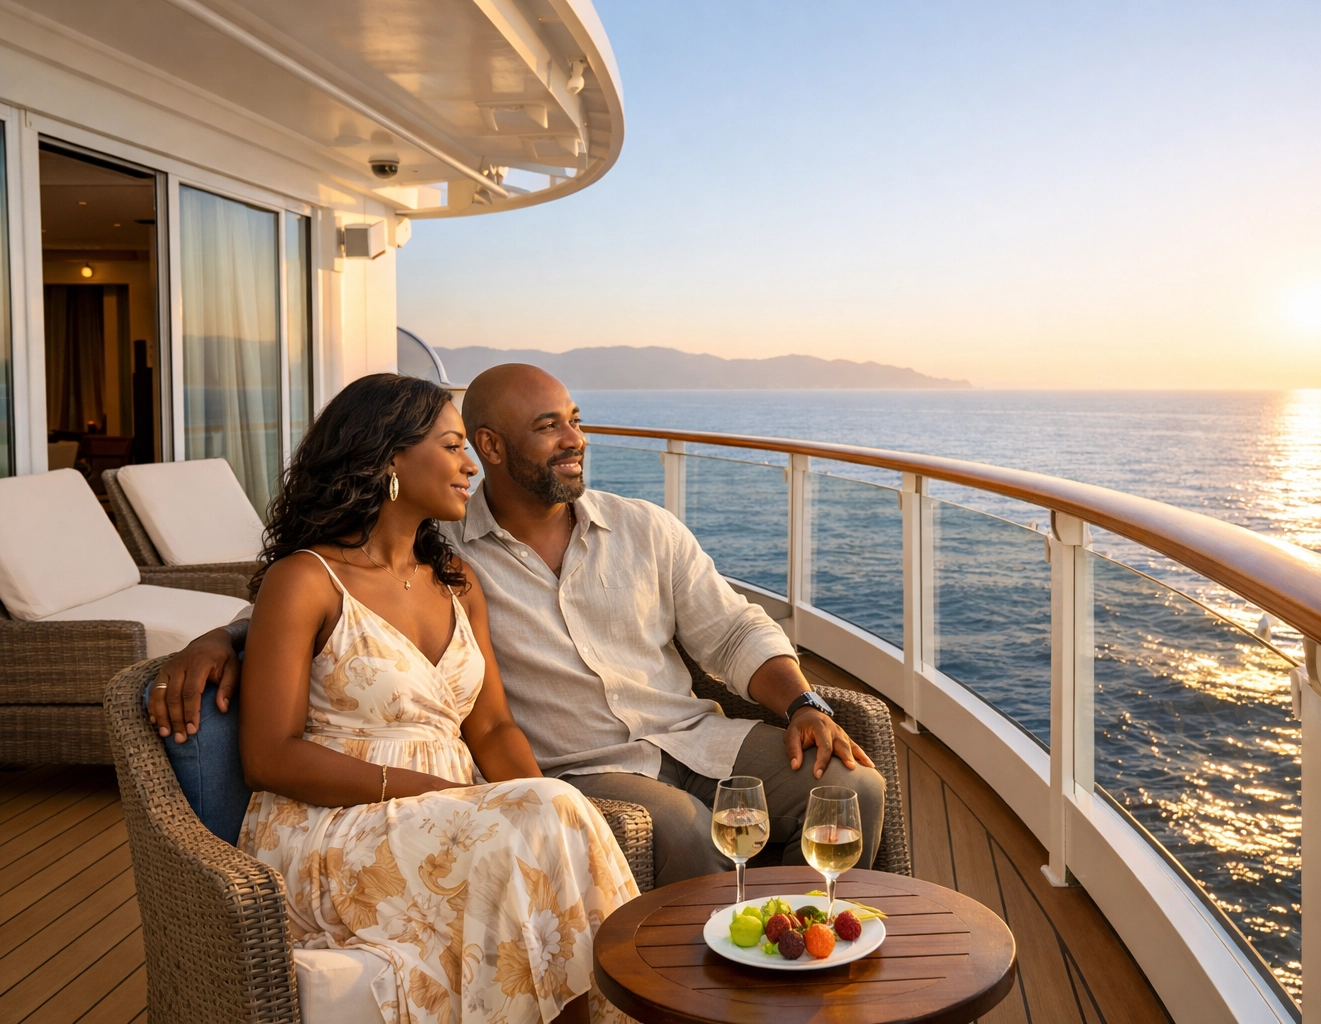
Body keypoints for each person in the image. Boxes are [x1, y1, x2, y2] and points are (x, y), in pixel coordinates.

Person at [152, 365, 886, 888]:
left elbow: (732, 631)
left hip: (694, 737)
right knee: (683, 826)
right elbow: (334, 607)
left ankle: (799, 946)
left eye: (575, 420)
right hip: (582, 765)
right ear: (492, 446)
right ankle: (704, 986)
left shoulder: (644, 529)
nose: (575, 439)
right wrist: (218, 638)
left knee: (855, 785)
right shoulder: (441, 545)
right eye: (548, 426)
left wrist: (803, 703)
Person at [166, 373, 637, 1024]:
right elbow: (269, 757)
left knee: (554, 816)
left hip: (454, 815)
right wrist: (440, 793)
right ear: (388, 457)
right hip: (335, 829)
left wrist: (527, 804)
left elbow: (493, 729)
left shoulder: (456, 580)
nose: (471, 465)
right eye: (452, 446)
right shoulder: (306, 580)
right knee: (545, 823)